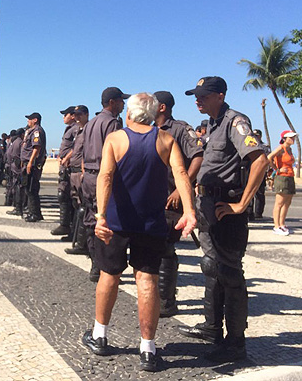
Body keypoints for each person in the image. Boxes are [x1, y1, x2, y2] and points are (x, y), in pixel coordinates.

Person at [83, 93, 197, 372]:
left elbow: (106, 177)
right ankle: (148, 349)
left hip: (117, 222)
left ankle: (100, 335)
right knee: (147, 280)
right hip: (151, 222)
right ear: (152, 113)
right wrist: (189, 212)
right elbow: (182, 174)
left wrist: (100, 216)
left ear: (130, 114)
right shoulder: (165, 140)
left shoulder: (117, 139)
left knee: (109, 275)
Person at [178, 76, 268, 363]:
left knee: (230, 274)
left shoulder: (234, 121)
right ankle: (212, 327)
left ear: (220, 95)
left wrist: (241, 204)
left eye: (204, 95)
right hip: (207, 205)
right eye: (196, 95)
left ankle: (235, 343)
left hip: (224, 209)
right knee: (212, 268)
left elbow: (260, 160)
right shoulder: (213, 125)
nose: (197, 99)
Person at [154, 91, 203, 317]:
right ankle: (154, 297)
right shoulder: (149, 129)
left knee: (165, 248)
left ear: (162, 107)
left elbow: (198, 156)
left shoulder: (180, 129)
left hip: (171, 198)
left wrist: (180, 189)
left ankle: (166, 302)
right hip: (152, 197)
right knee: (153, 246)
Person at [77, 87, 129, 278]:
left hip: (89, 176)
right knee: (106, 220)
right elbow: (117, 153)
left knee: (91, 220)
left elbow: (82, 151)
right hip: (104, 176)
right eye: (121, 101)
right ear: (112, 102)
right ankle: (105, 266)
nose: (123, 104)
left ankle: (94, 264)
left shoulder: (90, 123)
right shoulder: (113, 124)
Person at [59, 105, 89, 244]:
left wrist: (83, 169)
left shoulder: (88, 129)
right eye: (75, 115)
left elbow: (87, 151)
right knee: (75, 204)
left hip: (81, 171)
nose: (77, 117)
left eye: (79, 115)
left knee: (82, 207)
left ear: (86, 115)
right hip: (73, 169)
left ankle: (81, 241)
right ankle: (74, 234)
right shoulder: (78, 131)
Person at [51, 106, 78, 237]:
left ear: (72, 116)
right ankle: (66, 225)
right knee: (64, 195)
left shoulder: (76, 129)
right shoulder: (69, 129)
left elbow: (78, 146)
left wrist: (67, 157)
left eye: (65, 115)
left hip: (69, 166)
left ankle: (67, 226)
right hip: (64, 165)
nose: (63, 117)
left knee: (67, 196)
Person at [268, 130, 297, 235]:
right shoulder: (281, 148)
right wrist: (277, 169)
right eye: (291, 137)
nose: (293, 139)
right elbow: (269, 157)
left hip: (290, 176)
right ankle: (276, 226)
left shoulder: (290, 149)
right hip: (282, 178)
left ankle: (282, 224)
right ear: (284, 138)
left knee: (287, 202)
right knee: (279, 203)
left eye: (293, 137)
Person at [19, 113, 47, 222]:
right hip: (27, 163)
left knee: (31, 189)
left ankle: (34, 213)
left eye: (29, 119)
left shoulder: (37, 131)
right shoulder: (30, 131)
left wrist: (30, 162)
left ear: (35, 120)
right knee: (29, 189)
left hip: (33, 165)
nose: (28, 121)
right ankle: (35, 212)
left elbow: (36, 148)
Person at [6, 128, 25, 216]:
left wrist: (9, 164)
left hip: (13, 164)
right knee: (19, 187)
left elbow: (8, 154)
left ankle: (16, 206)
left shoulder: (13, 142)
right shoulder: (20, 142)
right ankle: (18, 208)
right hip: (18, 166)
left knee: (14, 185)